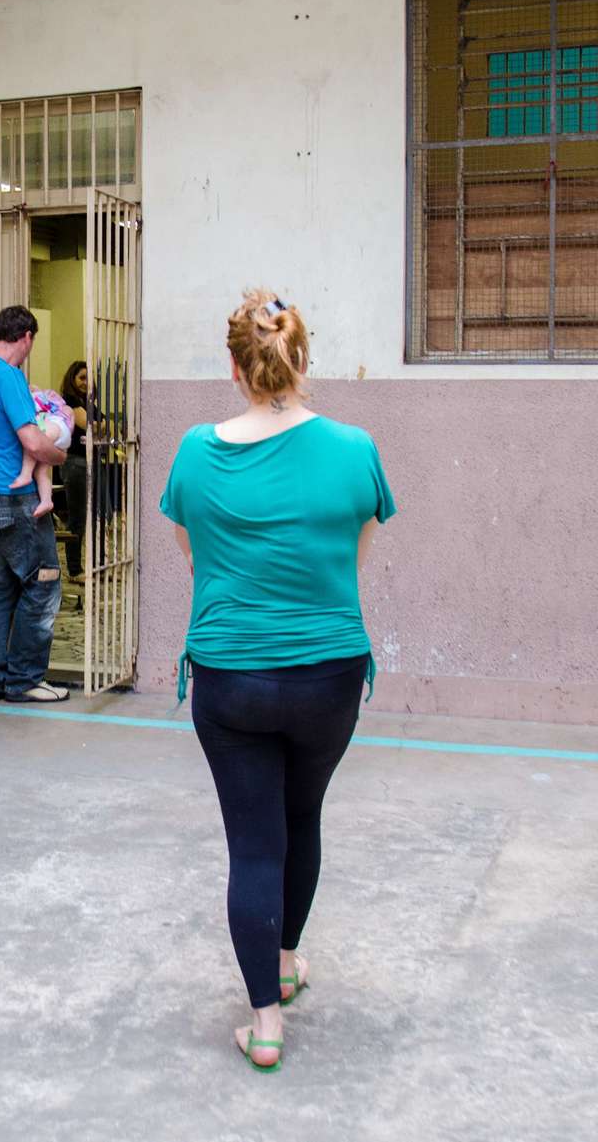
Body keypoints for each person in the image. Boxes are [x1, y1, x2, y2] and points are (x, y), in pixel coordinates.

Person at [160, 289, 396, 1072]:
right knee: (305, 817)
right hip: (328, 675)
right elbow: (354, 561)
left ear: (235, 366)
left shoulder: (196, 452)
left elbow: (195, 558)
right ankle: (287, 959)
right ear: (304, 358)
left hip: (231, 679)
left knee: (254, 846)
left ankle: (265, 1022)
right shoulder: (356, 447)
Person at [0, 305, 71, 704]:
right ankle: (24, 680)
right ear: (26, 337)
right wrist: (59, 457)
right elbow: (32, 441)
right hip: (13, 501)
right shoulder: (9, 378)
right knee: (43, 584)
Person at [10, 386, 74, 517]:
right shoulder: (44, 398)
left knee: (33, 440)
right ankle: (47, 501)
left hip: (56, 425)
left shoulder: (38, 397)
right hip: (59, 434)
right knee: (41, 472)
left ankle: (26, 474)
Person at [59, 360, 90, 585]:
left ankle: (87, 565)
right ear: (72, 379)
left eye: (88, 378)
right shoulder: (68, 401)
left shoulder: (87, 402)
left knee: (89, 518)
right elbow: (88, 424)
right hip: (75, 462)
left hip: (86, 462)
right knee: (77, 519)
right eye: (81, 378)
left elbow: (104, 425)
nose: (85, 383)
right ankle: (74, 568)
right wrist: (98, 424)